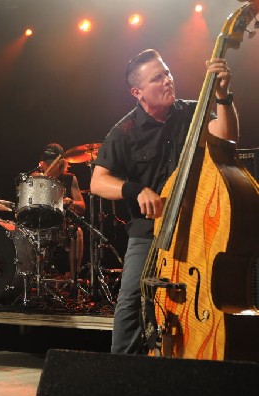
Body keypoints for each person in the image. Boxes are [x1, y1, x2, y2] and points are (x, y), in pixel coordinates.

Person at [90, 49, 238, 354]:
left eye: (167, 73)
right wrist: (135, 190)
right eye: (157, 78)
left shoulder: (190, 114)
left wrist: (223, 97)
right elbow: (97, 182)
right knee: (130, 300)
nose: (168, 81)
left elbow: (227, 136)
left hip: (195, 228)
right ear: (138, 92)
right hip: (149, 230)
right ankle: (121, 373)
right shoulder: (125, 131)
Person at [32, 143, 86, 282]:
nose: (48, 165)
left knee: (78, 232)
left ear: (61, 163)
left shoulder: (69, 179)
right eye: (45, 162)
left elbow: (82, 207)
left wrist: (71, 202)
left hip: (61, 226)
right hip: (38, 223)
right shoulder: (35, 178)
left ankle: (73, 278)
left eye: (52, 162)